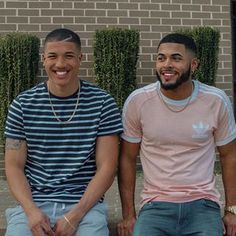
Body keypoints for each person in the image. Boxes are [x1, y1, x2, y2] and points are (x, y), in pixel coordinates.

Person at [4, 28, 123, 236]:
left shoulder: (103, 103)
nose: (60, 64)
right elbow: (13, 166)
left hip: (85, 206)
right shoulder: (23, 104)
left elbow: (107, 167)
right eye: (52, 56)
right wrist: (31, 211)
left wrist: (75, 215)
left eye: (68, 56)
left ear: (80, 58)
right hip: (34, 204)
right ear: (43, 59)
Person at [117, 33, 236, 236]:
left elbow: (229, 155)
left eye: (176, 58)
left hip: (203, 205)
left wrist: (232, 210)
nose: (167, 64)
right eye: (161, 58)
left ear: (194, 64)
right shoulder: (138, 102)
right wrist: (129, 215)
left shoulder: (215, 101)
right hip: (155, 206)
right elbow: (127, 158)